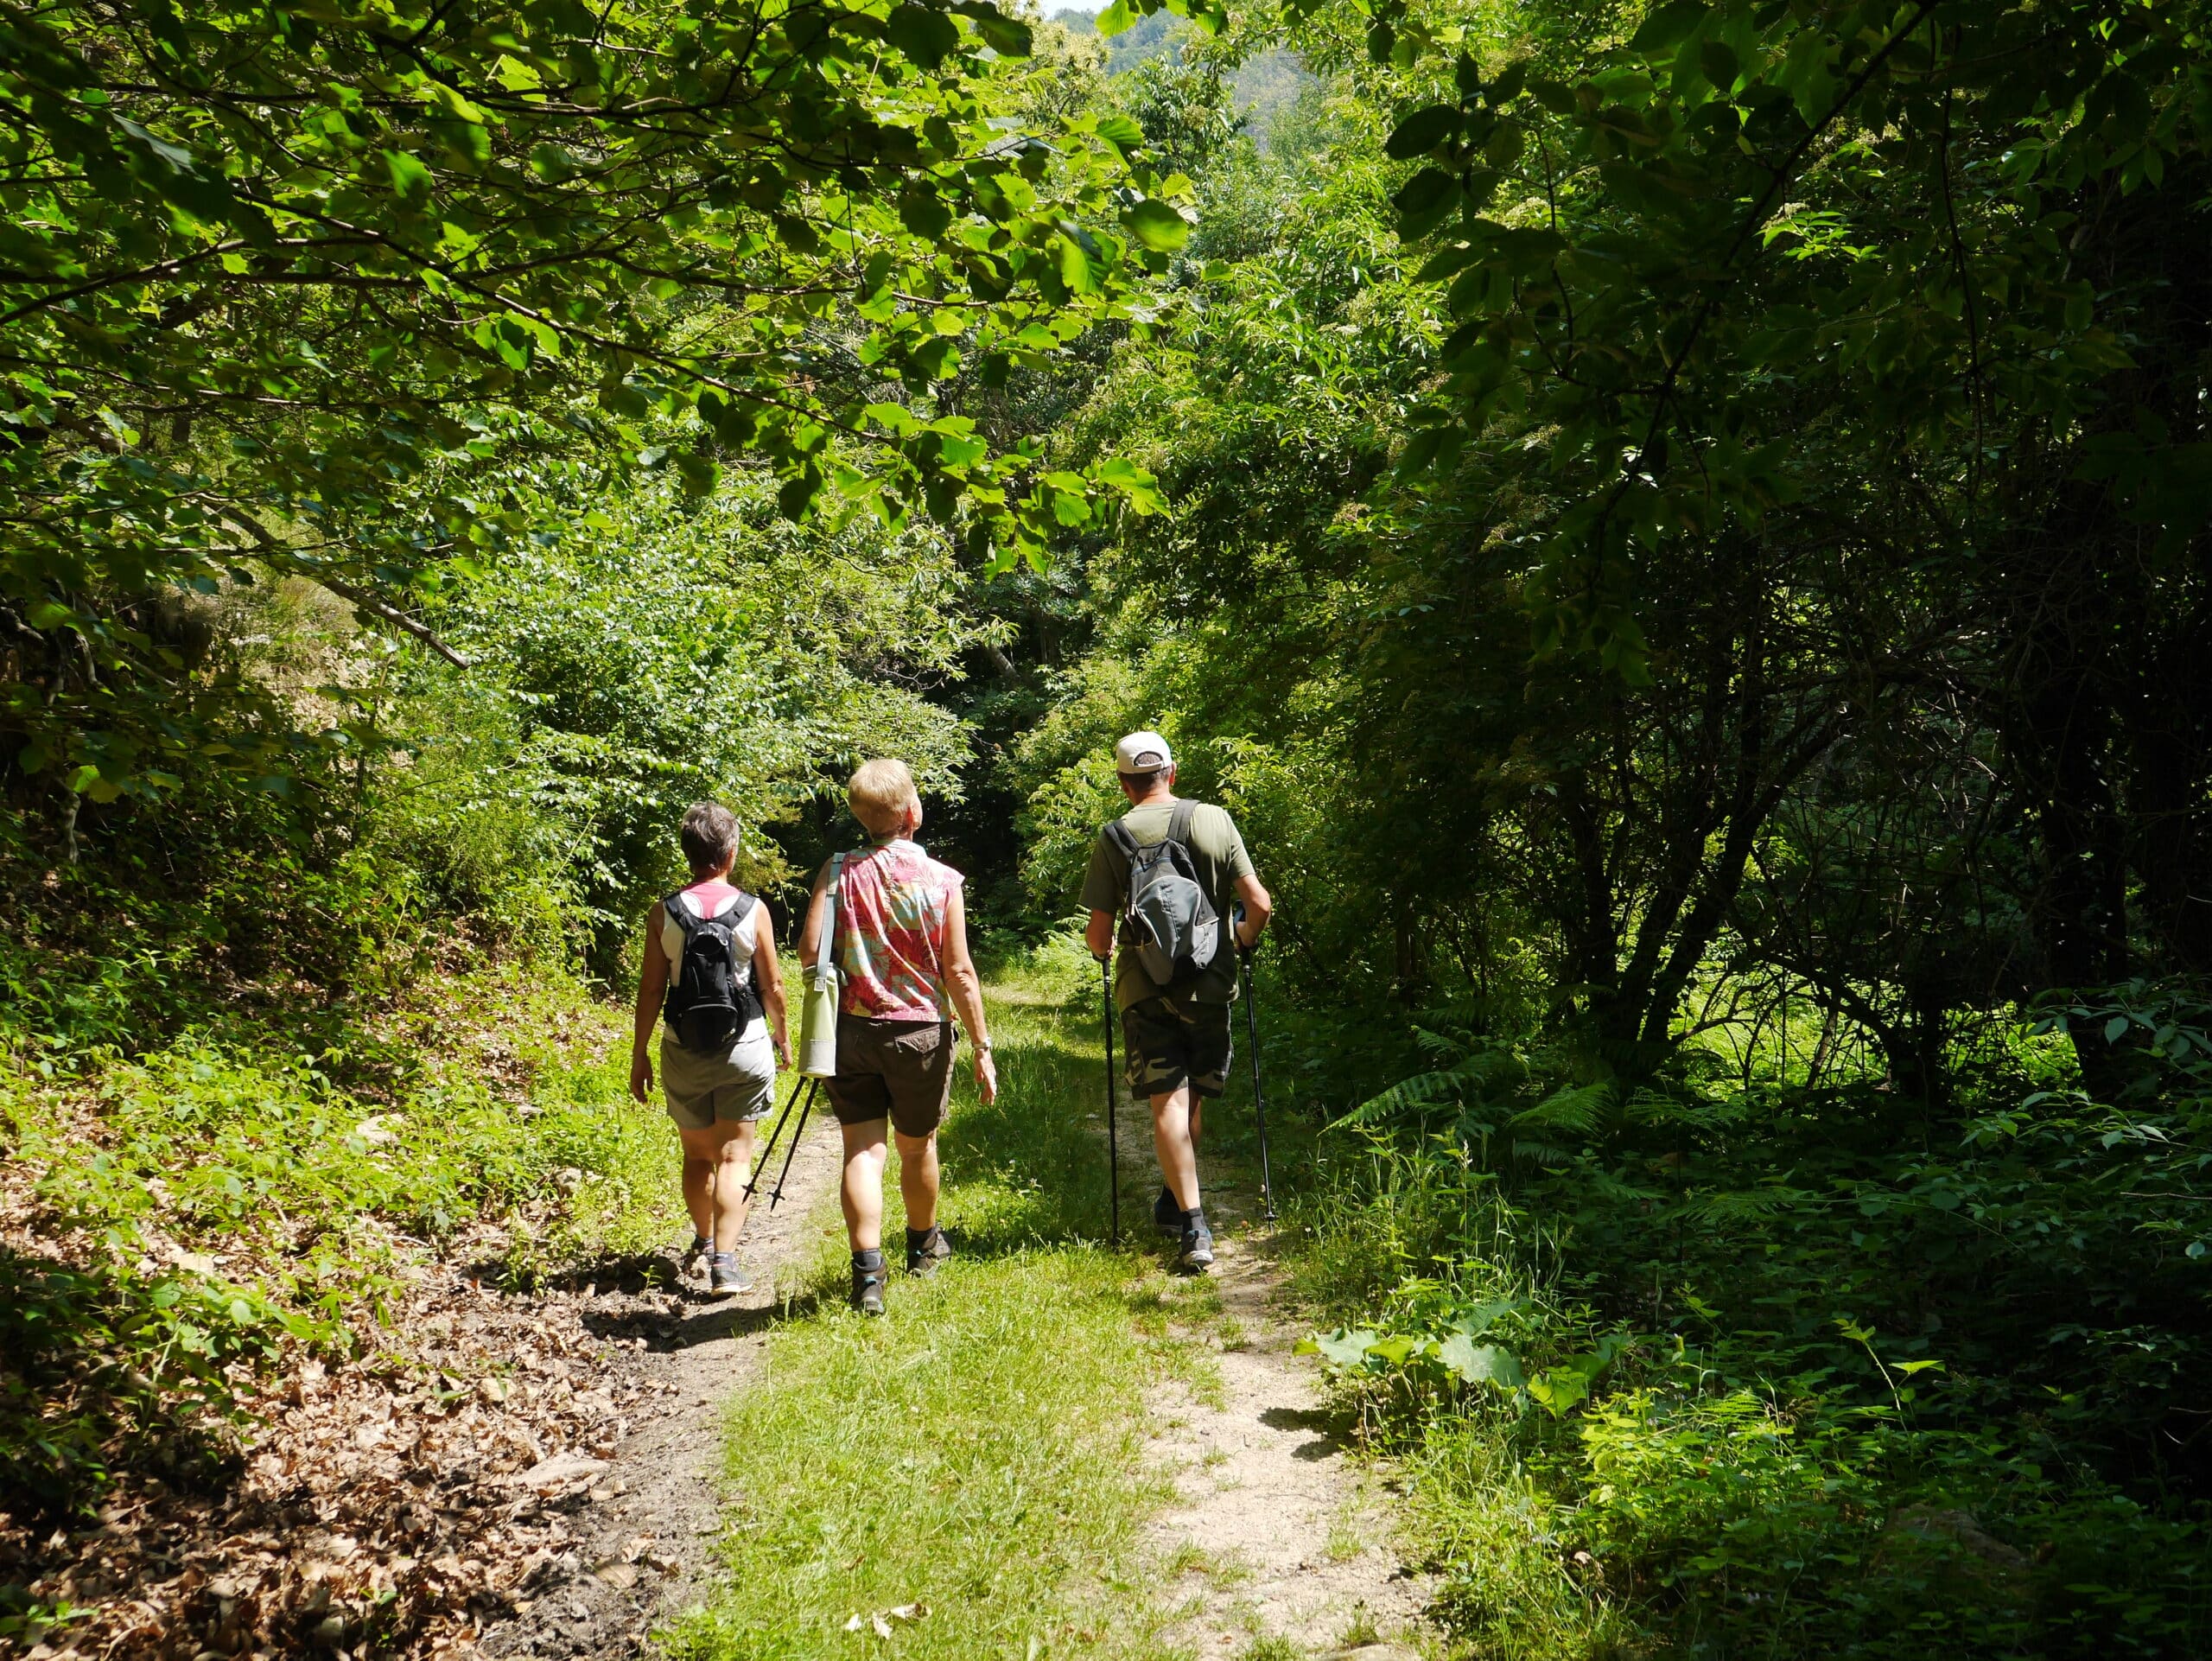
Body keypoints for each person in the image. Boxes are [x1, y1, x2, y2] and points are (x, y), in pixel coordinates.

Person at [799, 759, 997, 1315]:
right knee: (917, 1147)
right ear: (912, 812)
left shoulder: (838, 870)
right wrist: (982, 1046)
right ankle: (924, 1245)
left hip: (852, 1032)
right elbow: (958, 971)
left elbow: (809, 949)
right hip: (920, 1035)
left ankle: (867, 1274)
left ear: (865, 820)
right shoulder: (942, 880)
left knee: (862, 1150)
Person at [1083, 731, 1271, 1272]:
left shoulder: (1114, 836)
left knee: (1167, 1098)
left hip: (1144, 990)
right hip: (1210, 984)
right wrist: (1241, 938)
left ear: (1123, 782)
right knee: (1192, 1099)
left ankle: (1190, 1221)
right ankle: (1178, 1200)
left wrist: (1112, 945)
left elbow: (1098, 938)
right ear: (1173, 771)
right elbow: (1257, 904)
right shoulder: (1214, 819)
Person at [628, 802, 789, 1297]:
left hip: (682, 1047)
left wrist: (640, 1054)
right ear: (732, 853)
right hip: (745, 1044)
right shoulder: (752, 909)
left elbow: (652, 990)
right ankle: (725, 1260)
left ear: (687, 853)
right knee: (736, 1156)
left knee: (698, 1156)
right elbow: (773, 985)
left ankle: (702, 1238)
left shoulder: (665, 912)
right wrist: (783, 1037)